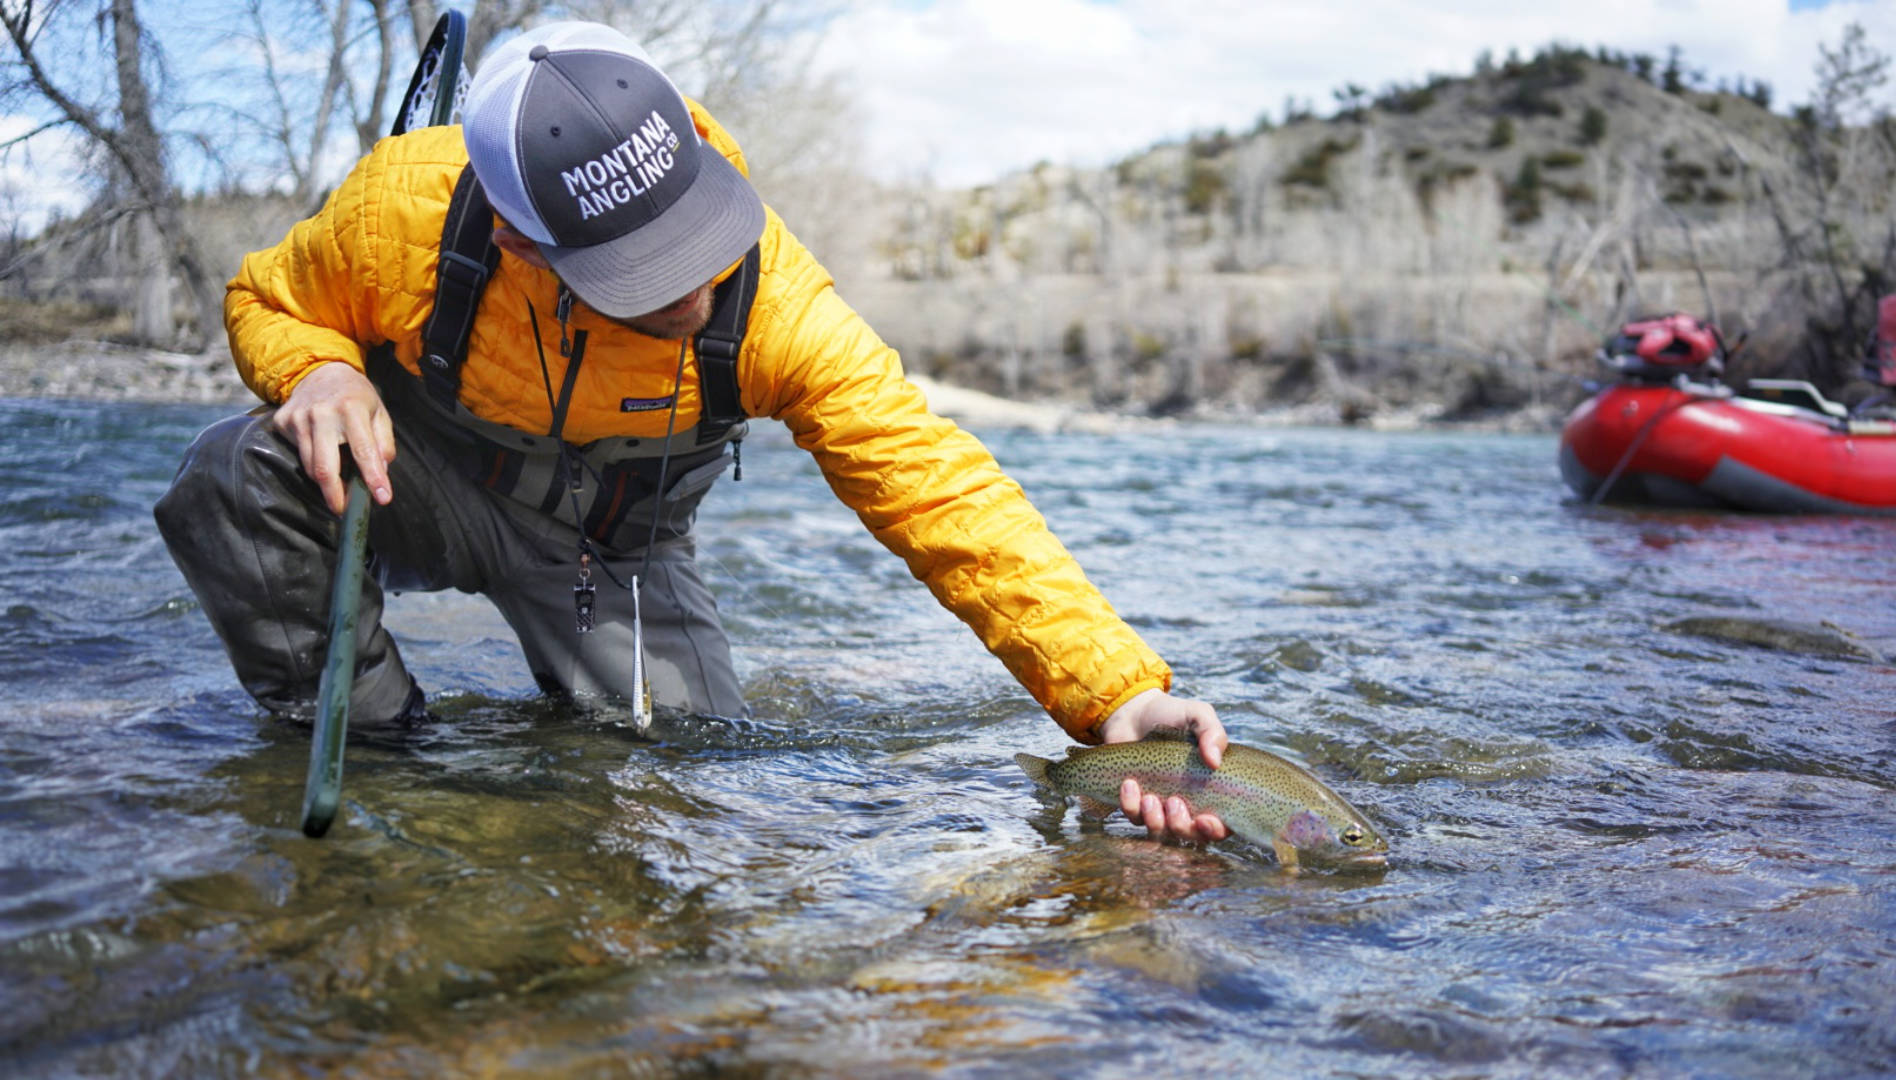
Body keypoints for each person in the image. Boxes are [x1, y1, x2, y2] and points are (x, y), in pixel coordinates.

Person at [154, 21, 1228, 843]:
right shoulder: (399, 212)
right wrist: (325, 368)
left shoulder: (778, 306)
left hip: (614, 554)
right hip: (426, 484)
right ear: (525, 244)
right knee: (236, 471)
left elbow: (938, 487)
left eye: (696, 238)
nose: (694, 297)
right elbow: (267, 299)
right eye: (642, 272)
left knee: (688, 780)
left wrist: (1113, 692)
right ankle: (388, 751)